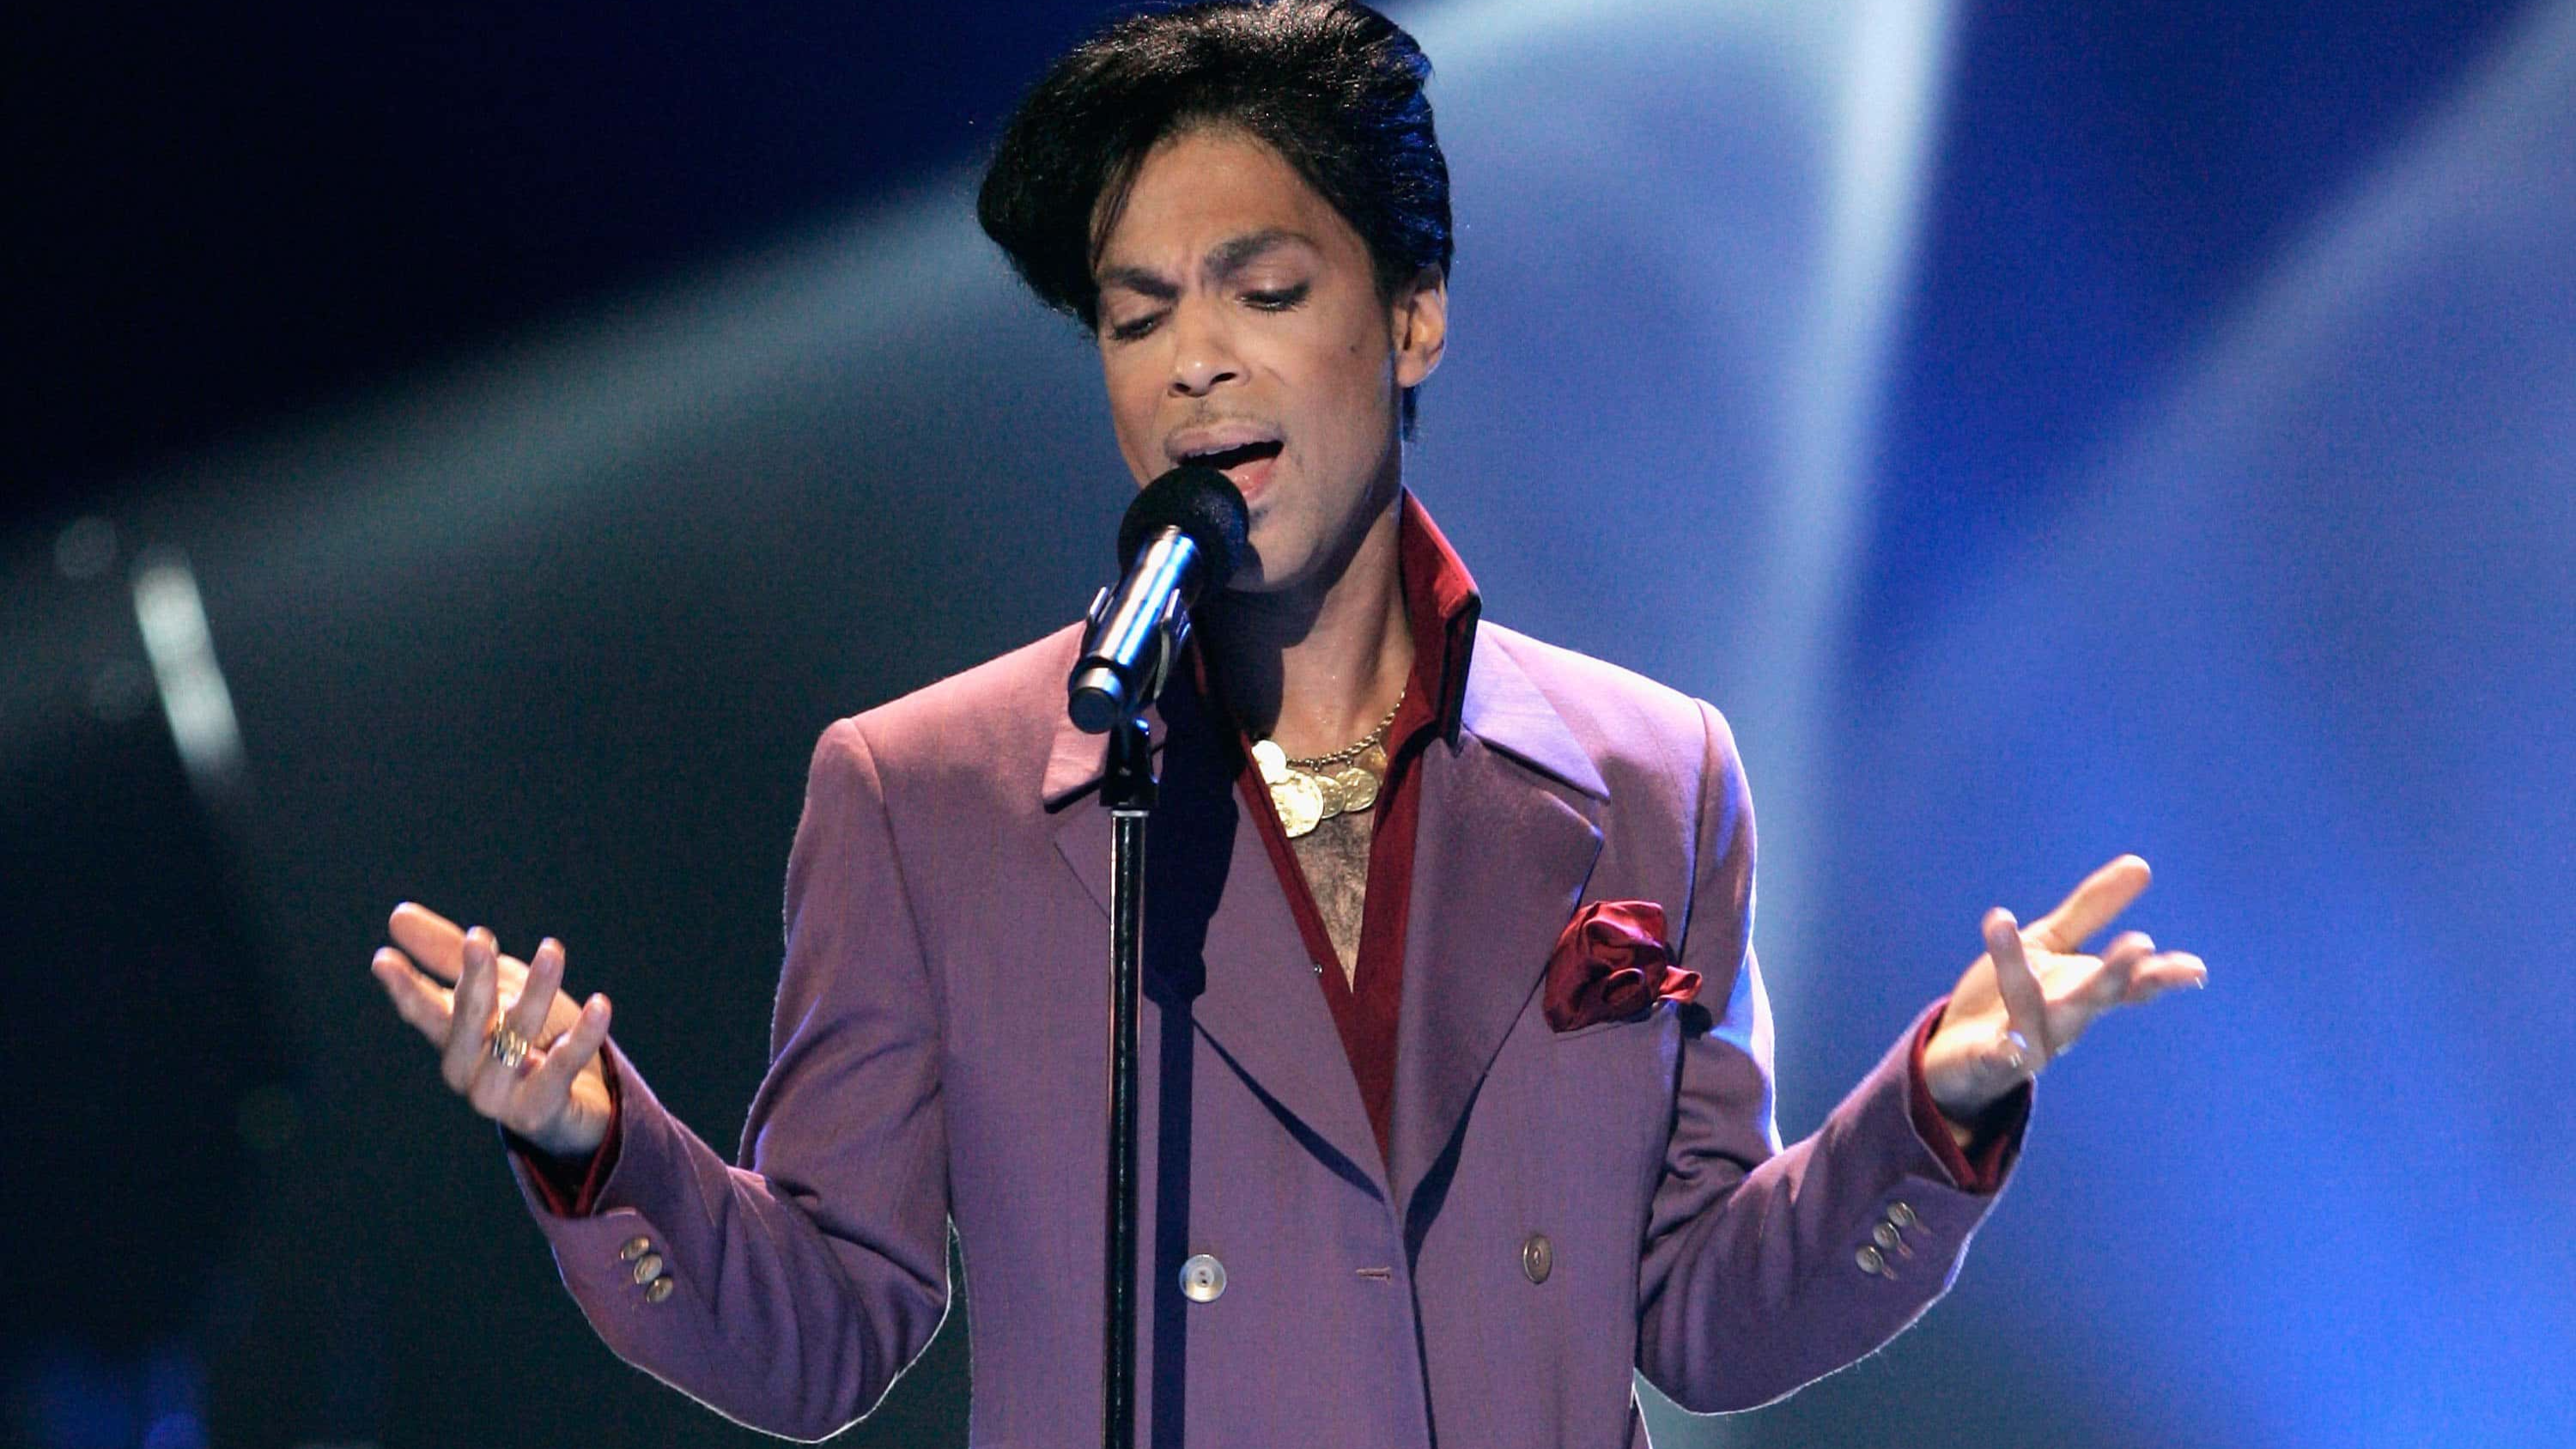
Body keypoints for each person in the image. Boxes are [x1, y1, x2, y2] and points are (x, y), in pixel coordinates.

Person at [367, 3, 2206, 1445]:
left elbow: (1709, 1320)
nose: (1195, 362)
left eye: (1266, 289)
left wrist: (1933, 1119)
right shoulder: (927, 791)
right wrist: (598, 1145)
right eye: (1134, 314)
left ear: (1409, 319)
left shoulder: (1656, 775)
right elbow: (829, 1330)